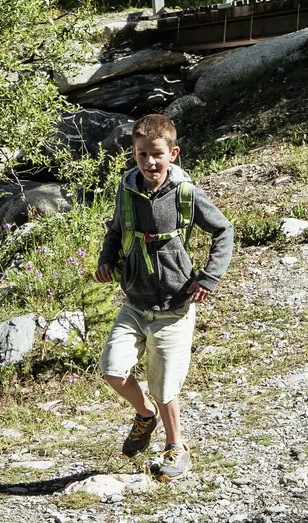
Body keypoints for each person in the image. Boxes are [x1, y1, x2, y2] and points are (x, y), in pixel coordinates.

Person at [94, 113, 234, 481]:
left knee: (164, 387)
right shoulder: (127, 190)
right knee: (112, 369)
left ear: (173, 153)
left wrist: (209, 277)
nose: (150, 162)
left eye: (157, 154)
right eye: (142, 154)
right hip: (135, 302)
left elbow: (224, 231)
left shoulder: (185, 192)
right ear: (133, 153)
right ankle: (145, 415)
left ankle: (176, 447)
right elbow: (115, 230)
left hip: (174, 306)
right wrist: (106, 260)